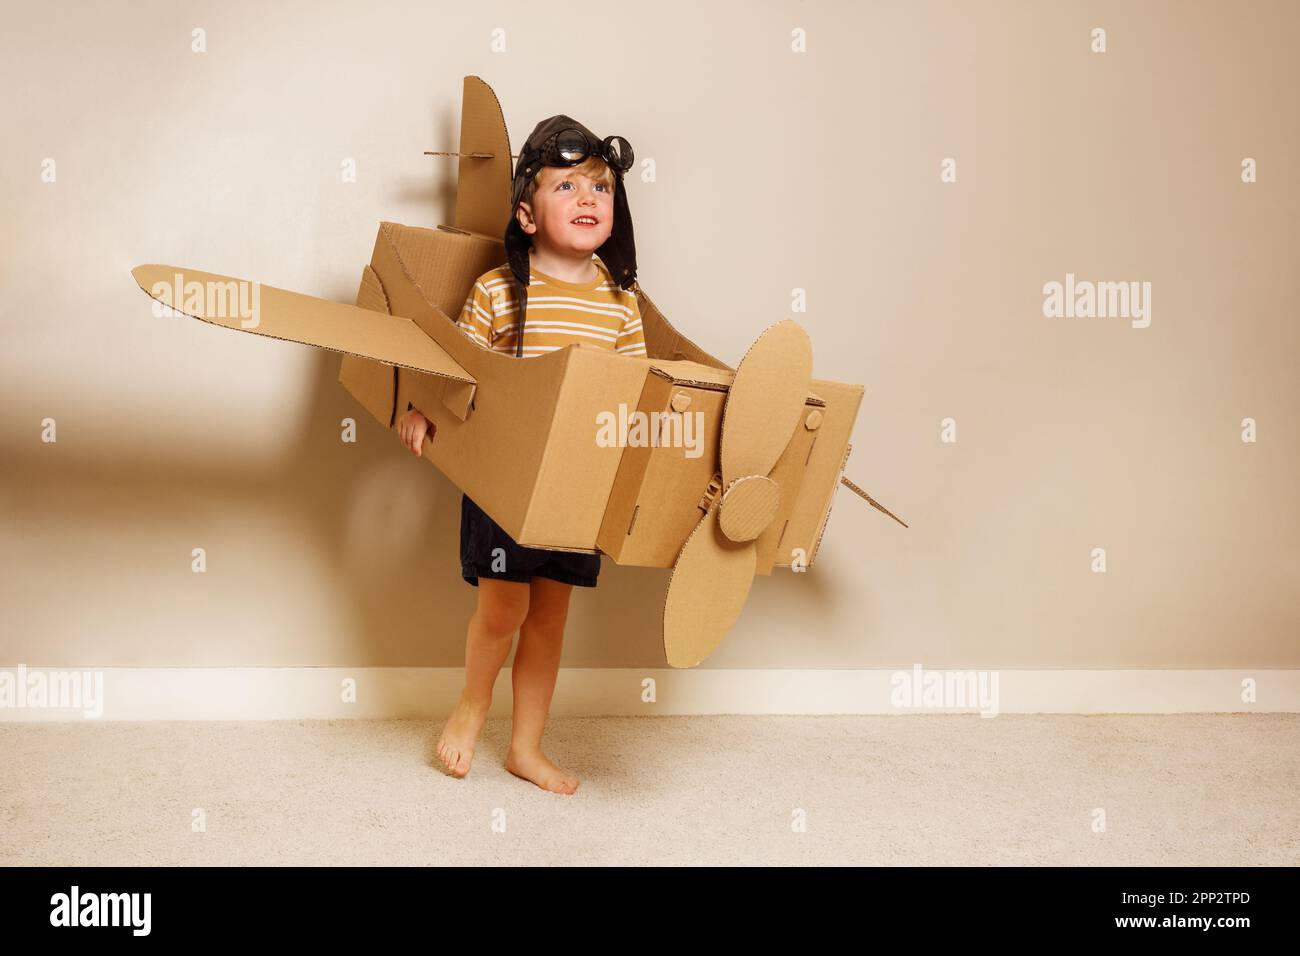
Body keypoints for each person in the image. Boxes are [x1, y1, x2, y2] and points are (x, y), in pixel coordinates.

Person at [396, 115, 645, 794]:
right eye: (567, 185)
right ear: (528, 216)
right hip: (507, 479)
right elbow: (457, 365)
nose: (590, 198)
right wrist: (422, 408)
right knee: (505, 610)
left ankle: (527, 746)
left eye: (600, 186)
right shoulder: (501, 290)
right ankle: (473, 704)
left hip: (576, 486)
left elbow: (636, 392)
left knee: (551, 617)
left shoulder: (621, 304)